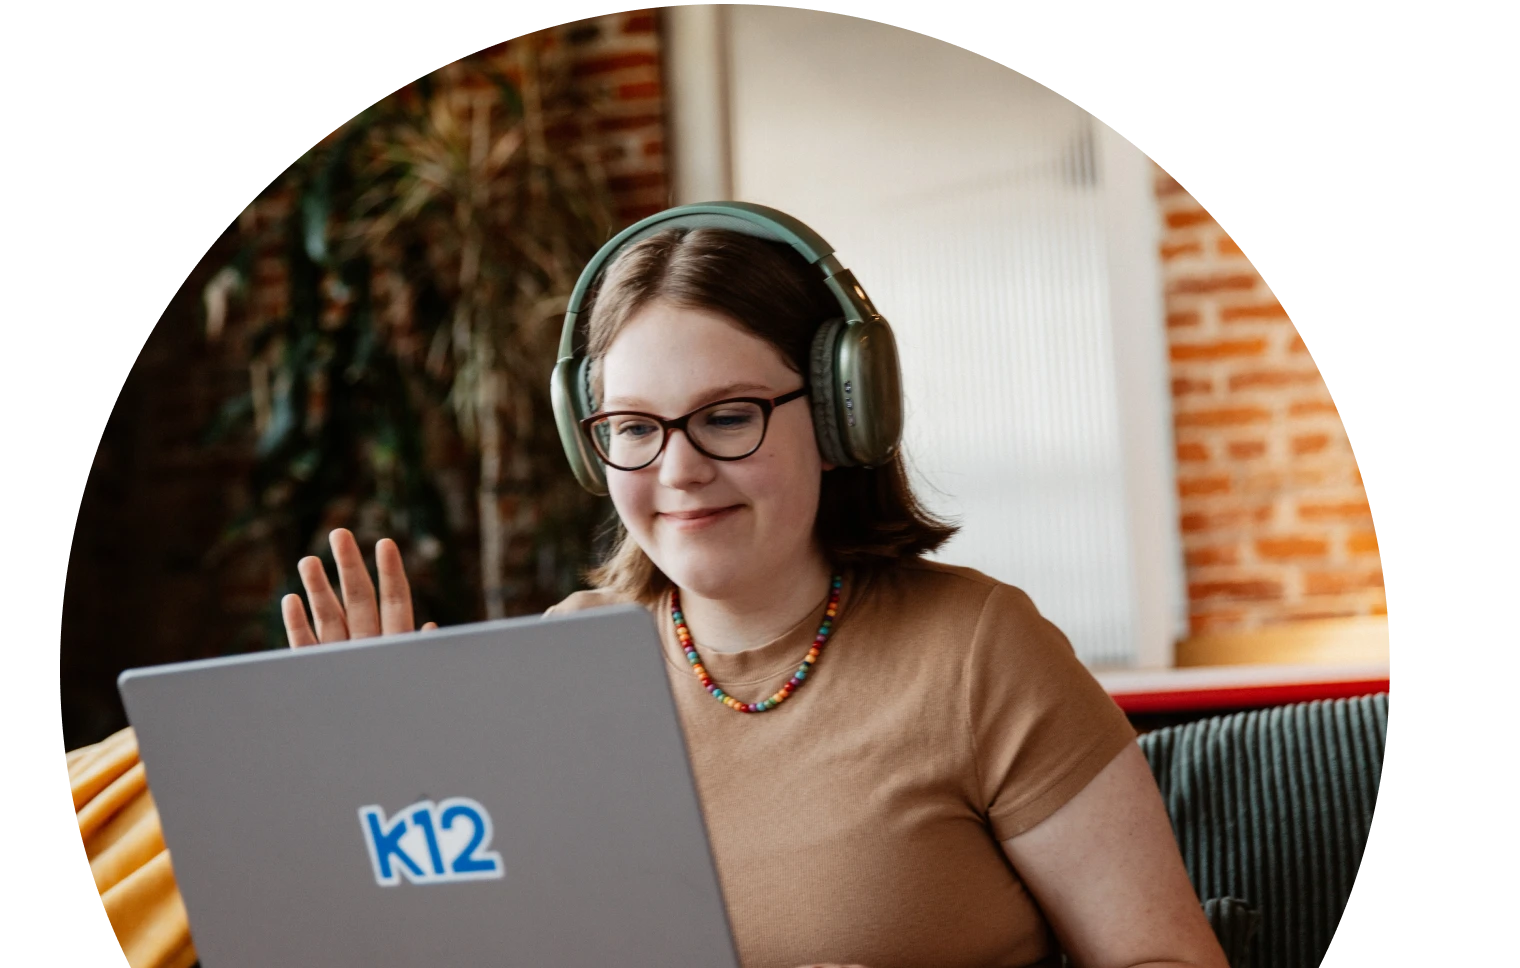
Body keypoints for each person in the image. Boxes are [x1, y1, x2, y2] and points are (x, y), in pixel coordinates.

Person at [68, 219, 1229, 968]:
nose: (676, 469)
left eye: (726, 414)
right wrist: (358, 788)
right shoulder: (559, 660)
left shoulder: (978, 647)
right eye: (631, 426)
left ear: (840, 414)